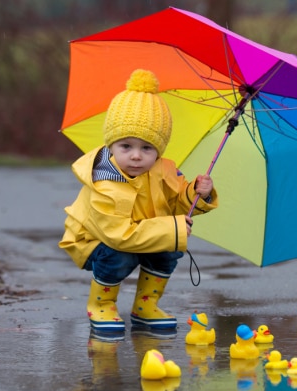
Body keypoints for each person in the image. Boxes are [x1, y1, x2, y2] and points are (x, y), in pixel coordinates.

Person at [59, 69, 218, 333]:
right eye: (126, 146)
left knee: (169, 245)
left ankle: (146, 305)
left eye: (147, 148)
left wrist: (197, 193)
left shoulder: (163, 170)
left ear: (159, 150)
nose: (136, 156)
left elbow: (176, 203)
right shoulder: (104, 182)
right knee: (122, 253)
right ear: (111, 145)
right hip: (98, 242)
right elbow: (118, 236)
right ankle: (102, 304)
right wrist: (172, 229)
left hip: (140, 233)